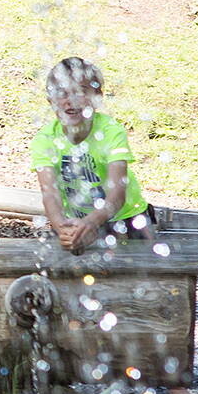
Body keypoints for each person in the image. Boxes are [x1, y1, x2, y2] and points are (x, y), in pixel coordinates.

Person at [32, 56, 157, 253]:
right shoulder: (44, 139)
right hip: (77, 222)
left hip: (127, 219)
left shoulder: (110, 132)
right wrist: (61, 229)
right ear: (51, 100)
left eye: (81, 92)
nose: (70, 101)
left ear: (97, 96)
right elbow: (50, 194)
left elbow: (117, 193)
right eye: (62, 93)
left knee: (141, 274)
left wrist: (92, 223)